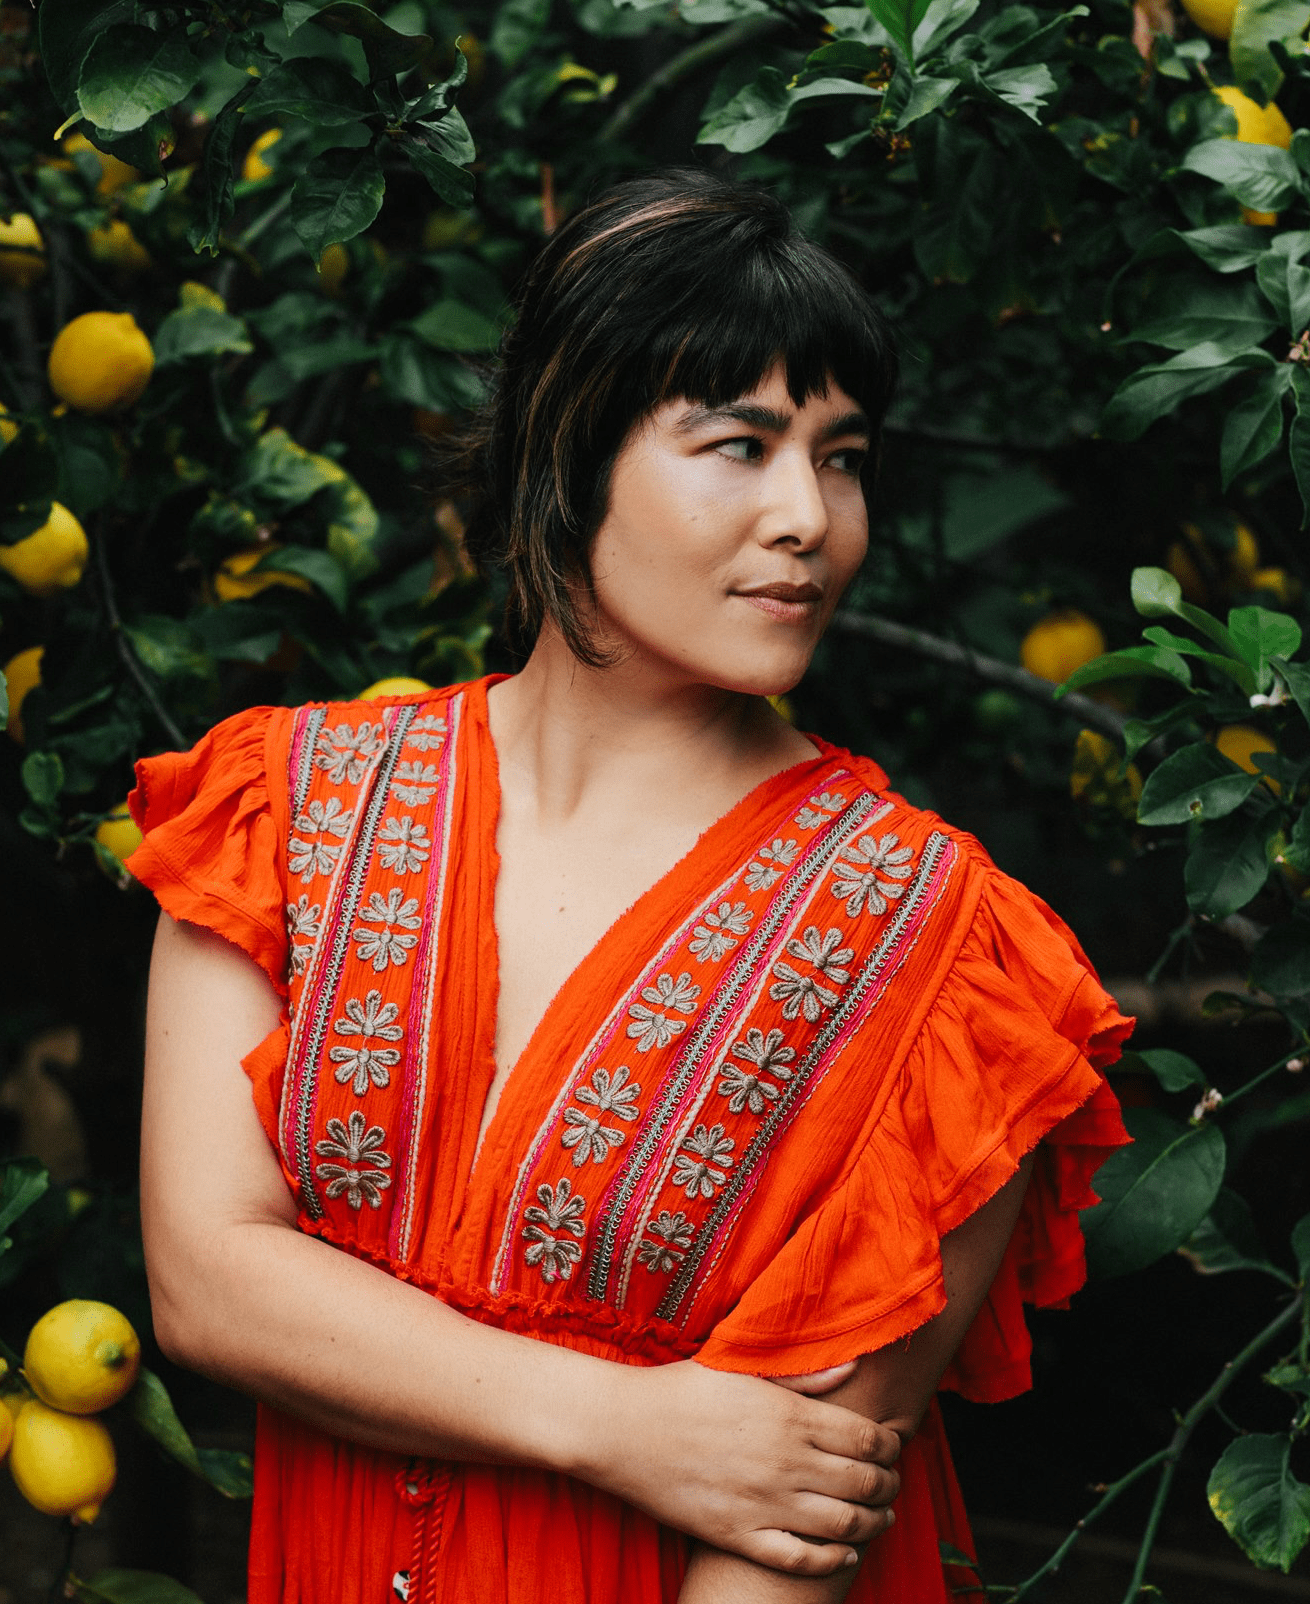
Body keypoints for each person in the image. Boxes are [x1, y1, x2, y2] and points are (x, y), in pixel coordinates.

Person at [128, 170, 1131, 1604]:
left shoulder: (950, 950)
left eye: (839, 456)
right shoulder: (285, 807)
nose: (808, 516)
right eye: (738, 443)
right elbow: (209, 1281)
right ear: (566, 449)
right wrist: (629, 1426)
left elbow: (791, 1514)